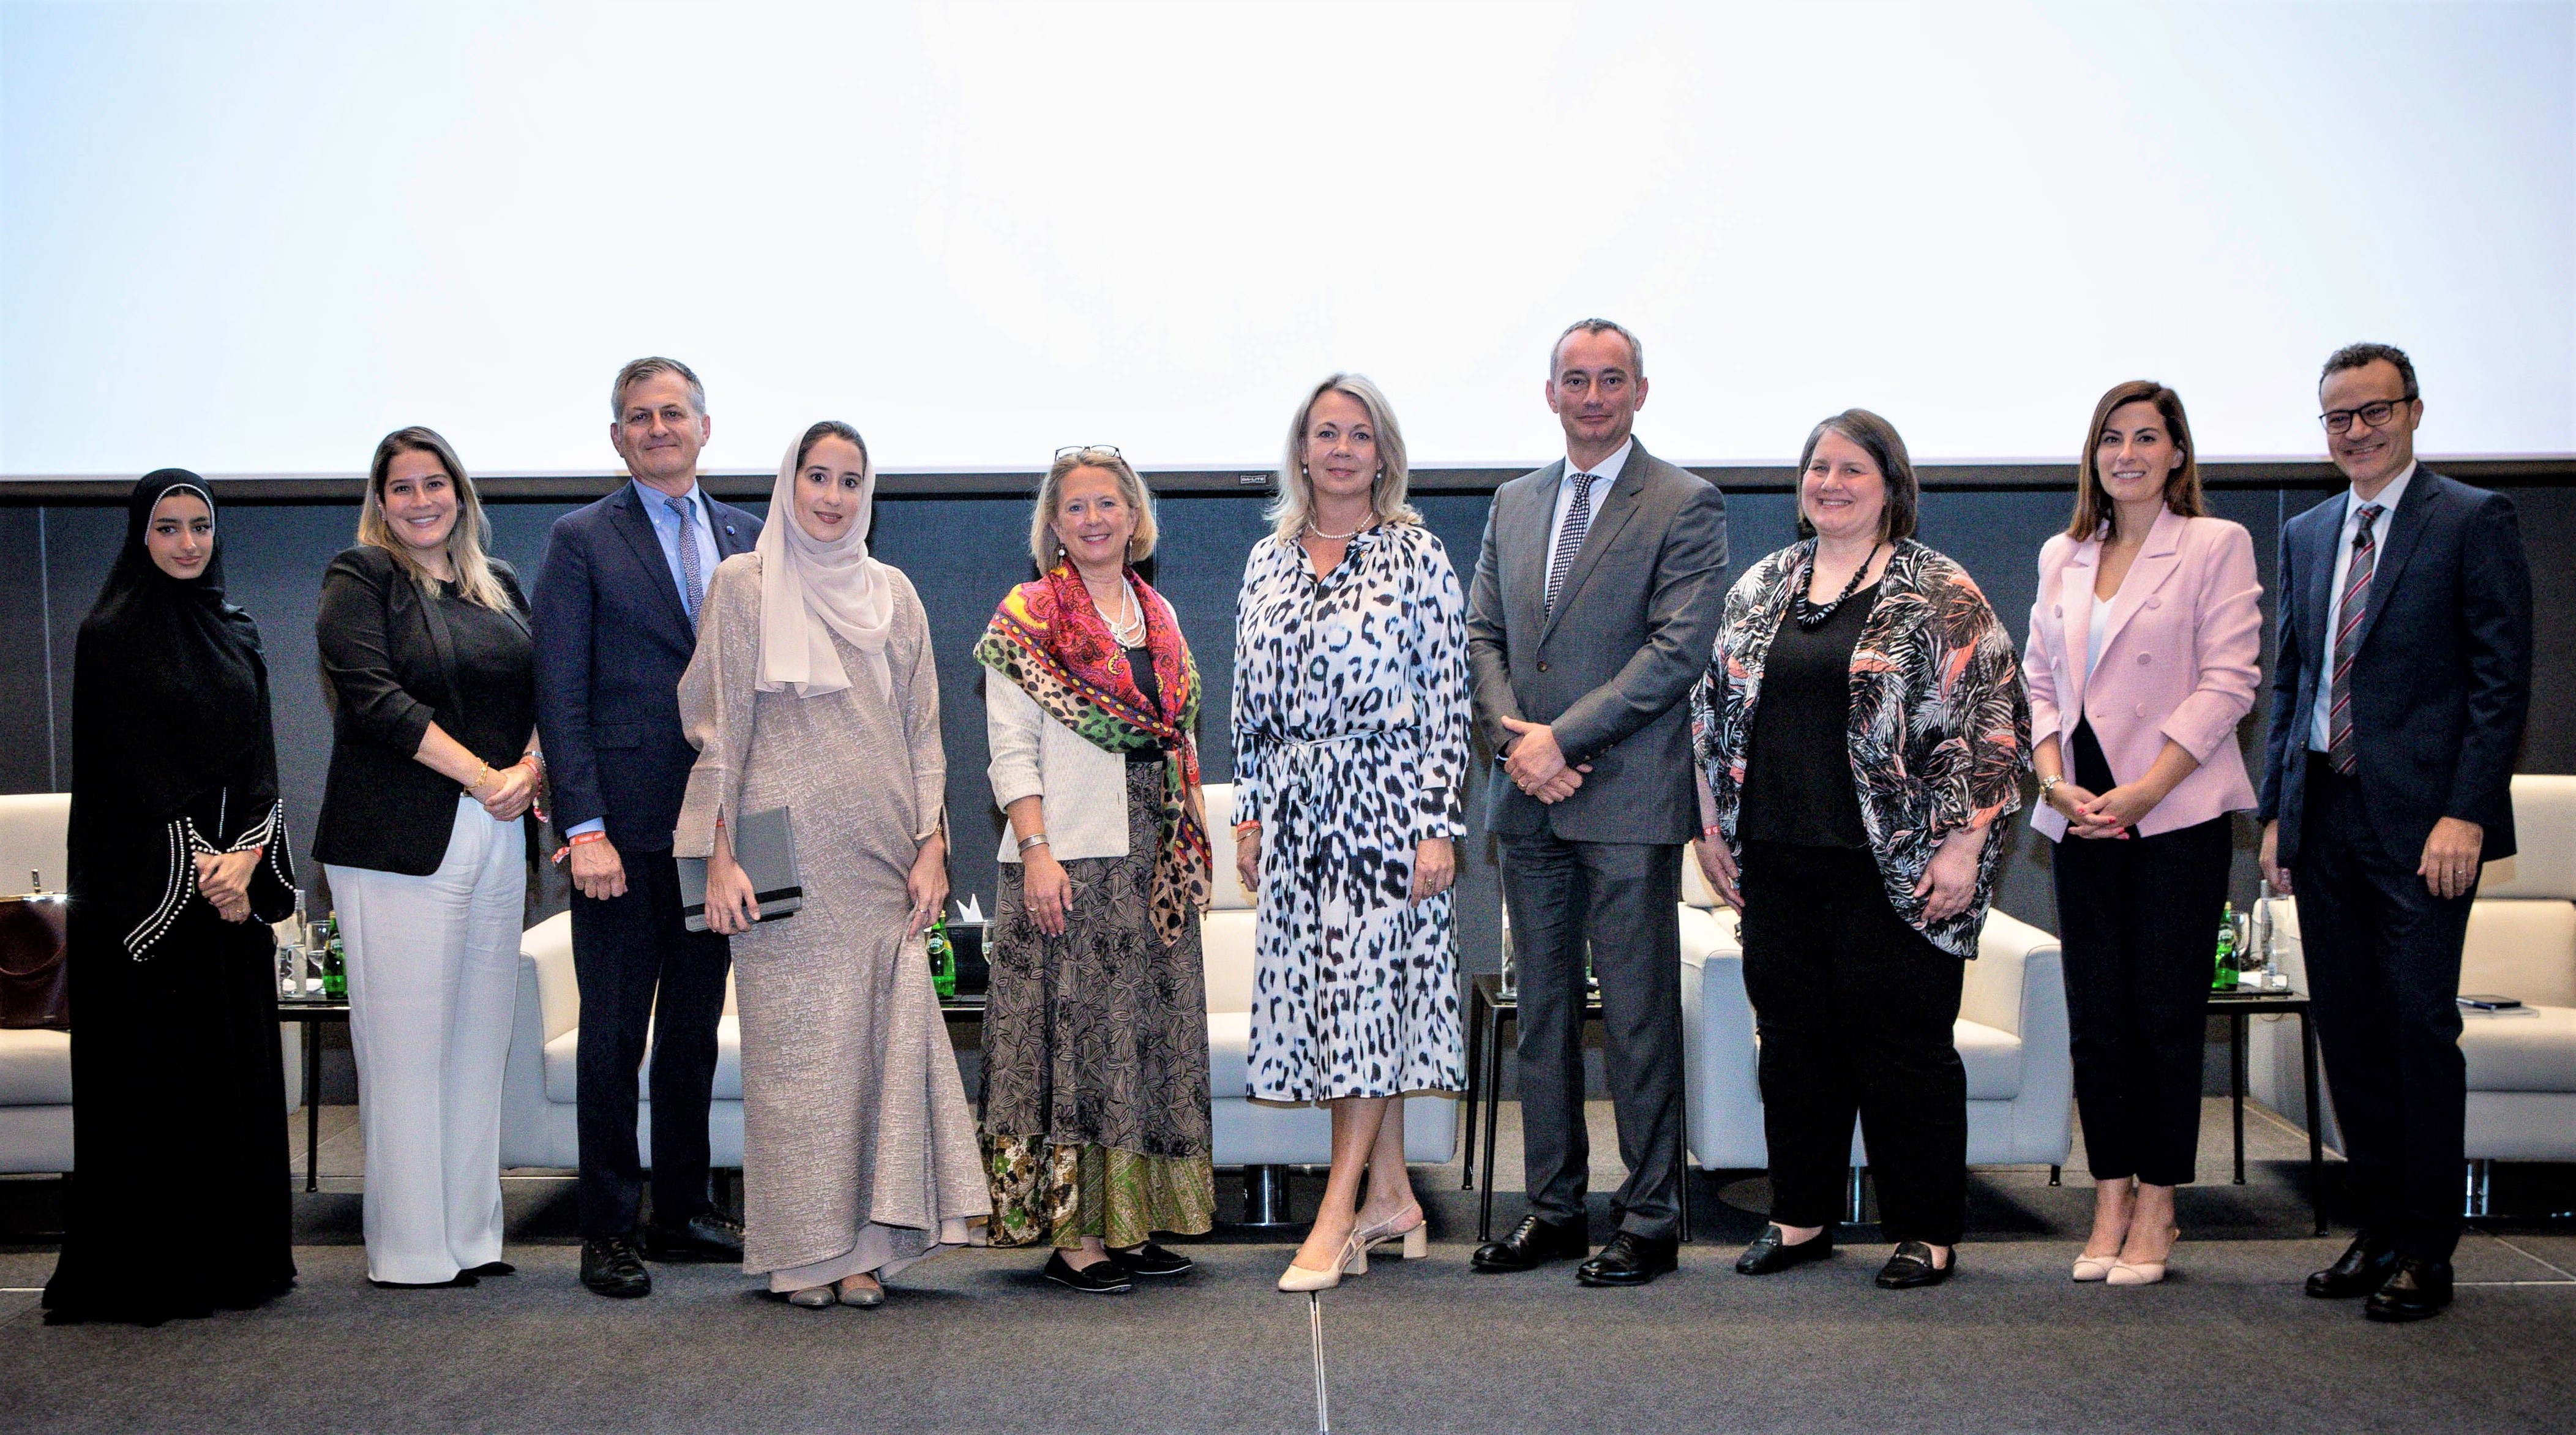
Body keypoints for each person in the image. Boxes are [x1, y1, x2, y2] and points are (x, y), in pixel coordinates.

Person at [1690, 410, 2028, 1291]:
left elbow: (1994, 726)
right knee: (1796, 1047)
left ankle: (1926, 1230)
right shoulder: (1765, 585)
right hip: (1777, 857)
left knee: (1904, 1051)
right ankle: (1800, 1218)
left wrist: (1963, 850)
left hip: (1900, 867)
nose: (1830, 484)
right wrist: (1713, 830)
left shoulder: (1938, 588)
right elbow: (1711, 713)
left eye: (1852, 470)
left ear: (1891, 487)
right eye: (1818, 469)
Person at [675, 421, 989, 1309]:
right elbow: (717, 727)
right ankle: (800, 1257)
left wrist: (934, 846)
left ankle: (863, 1253)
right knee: (795, 1066)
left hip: (881, 862)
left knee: (875, 1060)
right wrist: (717, 856)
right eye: (818, 475)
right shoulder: (744, 586)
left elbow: (924, 732)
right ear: (791, 482)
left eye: (851, 480)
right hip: (780, 857)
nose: (833, 495)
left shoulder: (895, 594)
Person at [2258, 343, 2532, 1323]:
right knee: (2352, 1031)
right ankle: (2376, 1230)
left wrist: (2465, 810)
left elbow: (2501, 685)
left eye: (2375, 411)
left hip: (2426, 828)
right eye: (2339, 417)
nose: (2358, 431)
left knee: (2419, 1030)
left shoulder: (2470, 519)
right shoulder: (2310, 532)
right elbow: (2293, 683)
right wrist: (2279, 812)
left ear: (2413, 412)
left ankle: (2428, 1248)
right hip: (2323, 817)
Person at [1465, 319, 1728, 1287]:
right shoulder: (1513, 501)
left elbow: (1676, 651)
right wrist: (1516, 745)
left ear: (1641, 393)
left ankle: (1651, 1219)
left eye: (1610, 380)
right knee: (1541, 1017)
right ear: (1550, 394)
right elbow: (1483, 635)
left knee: (1637, 1017)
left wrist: (1558, 742)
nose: (1592, 396)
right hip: (1528, 802)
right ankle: (1556, 1210)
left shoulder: (1685, 503)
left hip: (1621, 797)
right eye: (1575, 380)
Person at [42, 470, 298, 1325]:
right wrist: (204, 867)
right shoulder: (110, 635)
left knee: (231, 1074)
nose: (188, 543)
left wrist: (248, 858)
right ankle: (159, 1270)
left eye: (200, 526)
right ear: (138, 538)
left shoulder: (239, 630)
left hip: (228, 899)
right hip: (150, 907)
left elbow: (261, 760)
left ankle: (237, 1261)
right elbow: (123, 779)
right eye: (168, 528)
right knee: (160, 1082)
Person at [1234, 375, 1472, 1292]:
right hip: (1295, 815)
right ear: (1301, 450)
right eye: (1325, 433)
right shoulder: (1267, 559)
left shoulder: (1418, 556)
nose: (1340, 449)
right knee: (1335, 1007)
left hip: (1386, 807)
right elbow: (1249, 709)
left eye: (1359, 435)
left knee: (1371, 1008)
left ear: (1384, 455)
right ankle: (1390, 1199)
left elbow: (1447, 709)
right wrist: (1251, 812)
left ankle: (1334, 1220)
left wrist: (1437, 828)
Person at [533, 357, 762, 1298]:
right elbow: (561, 689)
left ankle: (679, 1210)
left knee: (696, 1030)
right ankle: (607, 1229)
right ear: (618, 438)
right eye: (639, 417)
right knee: (615, 1035)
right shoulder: (581, 539)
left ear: (706, 428)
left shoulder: (752, 538)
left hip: (723, 834)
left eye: (674, 413)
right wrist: (582, 825)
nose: (658, 427)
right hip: (620, 833)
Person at [2024, 383, 2261, 1287]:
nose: (2127, 453)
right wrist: (2057, 782)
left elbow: (2230, 682)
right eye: (2111, 439)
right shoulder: (2063, 553)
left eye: (2147, 438)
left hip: (2174, 816)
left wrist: (2145, 791)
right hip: (2081, 813)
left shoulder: (2215, 545)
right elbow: (2042, 683)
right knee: (2100, 1022)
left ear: (2177, 455)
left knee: (2165, 1018)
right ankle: (2109, 1195)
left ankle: (2161, 1201)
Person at [976, 445, 1215, 1295]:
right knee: (1077, 1049)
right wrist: (1036, 851)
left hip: (1155, 866)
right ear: (1053, 525)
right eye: (1075, 507)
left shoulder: (1160, 615)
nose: (1094, 519)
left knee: (1147, 1046)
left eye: (1109, 503)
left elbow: (1175, 740)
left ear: (1135, 515)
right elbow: (1008, 750)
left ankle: (1132, 1222)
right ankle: (1077, 1239)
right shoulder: (1028, 618)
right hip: (1070, 862)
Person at [315, 427, 542, 1289]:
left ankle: (472, 1234)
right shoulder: (360, 577)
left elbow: (539, 693)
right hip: (395, 840)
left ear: (460, 493)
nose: (420, 501)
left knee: (478, 1047)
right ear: (381, 502)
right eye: (402, 488)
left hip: (495, 828)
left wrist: (528, 768)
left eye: (434, 484)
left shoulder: (502, 585)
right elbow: (373, 698)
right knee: (406, 1051)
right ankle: (411, 1249)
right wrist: (487, 777)